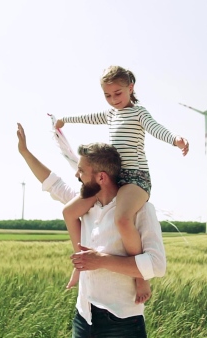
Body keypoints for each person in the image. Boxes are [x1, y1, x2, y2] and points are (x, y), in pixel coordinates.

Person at [16, 122, 166, 338]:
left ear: (101, 177)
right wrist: (25, 153)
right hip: (83, 316)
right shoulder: (85, 204)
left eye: (82, 171)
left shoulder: (141, 210)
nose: (77, 175)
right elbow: (53, 184)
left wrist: (102, 260)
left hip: (122, 322)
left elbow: (157, 265)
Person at [55, 65, 188, 303]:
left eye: (118, 93)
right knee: (69, 211)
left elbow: (155, 128)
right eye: (107, 95)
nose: (113, 99)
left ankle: (140, 276)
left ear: (130, 88)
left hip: (136, 179)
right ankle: (80, 260)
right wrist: (65, 120)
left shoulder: (139, 113)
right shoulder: (110, 114)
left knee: (122, 218)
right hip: (115, 177)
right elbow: (87, 117)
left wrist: (175, 139)